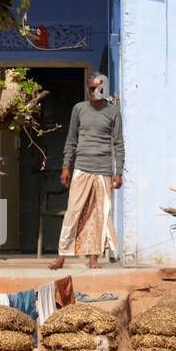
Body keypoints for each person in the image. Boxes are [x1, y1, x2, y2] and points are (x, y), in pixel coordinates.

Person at [49, 73, 124, 270]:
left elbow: (118, 143)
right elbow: (71, 139)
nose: (94, 92)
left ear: (104, 89)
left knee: (99, 215)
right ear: (87, 89)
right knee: (73, 211)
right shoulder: (79, 109)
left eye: (98, 88)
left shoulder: (113, 112)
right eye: (91, 88)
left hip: (104, 170)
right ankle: (61, 257)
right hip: (81, 167)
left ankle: (93, 259)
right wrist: (66, 166)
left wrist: (119, 171)